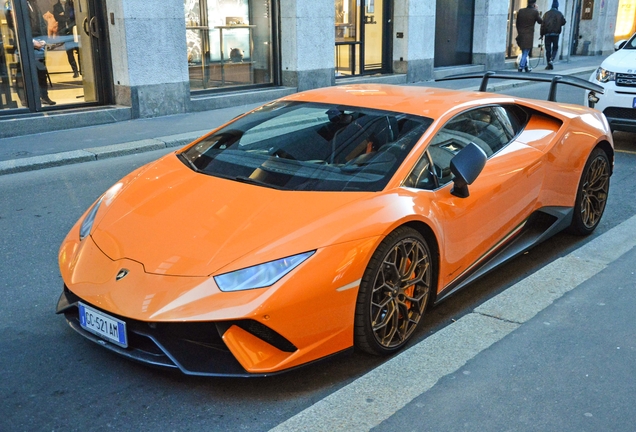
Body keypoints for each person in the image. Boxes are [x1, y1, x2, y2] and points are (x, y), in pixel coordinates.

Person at [26, 0, 56, 105]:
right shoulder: (13, 4)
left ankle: (44, 96)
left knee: (41, 71)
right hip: (25, 43)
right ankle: (28, 99)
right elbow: (15, 26)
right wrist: (31, 41)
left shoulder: (34, 4)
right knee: (26, 71)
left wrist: (44, 39)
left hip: (39, 41)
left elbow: (41, 23)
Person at [53, 0, 80, 78]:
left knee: (78, 51)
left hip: (73, 31)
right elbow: (57, 17)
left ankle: (81, 70)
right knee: (69, 52)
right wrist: (66, 17)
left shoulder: (71, 5)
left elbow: (74, 17)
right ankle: (75, 71)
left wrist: (63, 15)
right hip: (64, 32)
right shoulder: (56, 6)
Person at [516, 0, 542, 73]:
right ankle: (521, 67)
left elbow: (517, 23)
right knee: (526, 52)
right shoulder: (534, 12)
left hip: (521, 34)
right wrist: (537, 10)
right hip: (529, 34)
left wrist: (519, 32)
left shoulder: (521, 11)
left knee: (525, 51)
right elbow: (540, 21)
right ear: (534, 4)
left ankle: (526, 67)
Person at [541, 0, 567, 70]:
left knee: (548, 49)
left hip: (547, 34)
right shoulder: (559, 14)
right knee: (555, 48)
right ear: (557, 6)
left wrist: (541, 34)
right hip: (556, 34)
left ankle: (548, 64)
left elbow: (542, 25)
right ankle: (552, 59)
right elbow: (563, 22)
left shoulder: (546, 14)